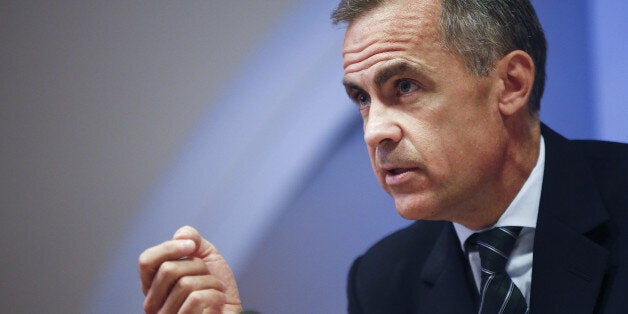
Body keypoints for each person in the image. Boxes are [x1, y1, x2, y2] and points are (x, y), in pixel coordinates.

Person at [138, 0, 628, 313]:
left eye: (405, 86)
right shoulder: (383, 278)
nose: (375, 131)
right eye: (362, 98)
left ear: (511, 84)